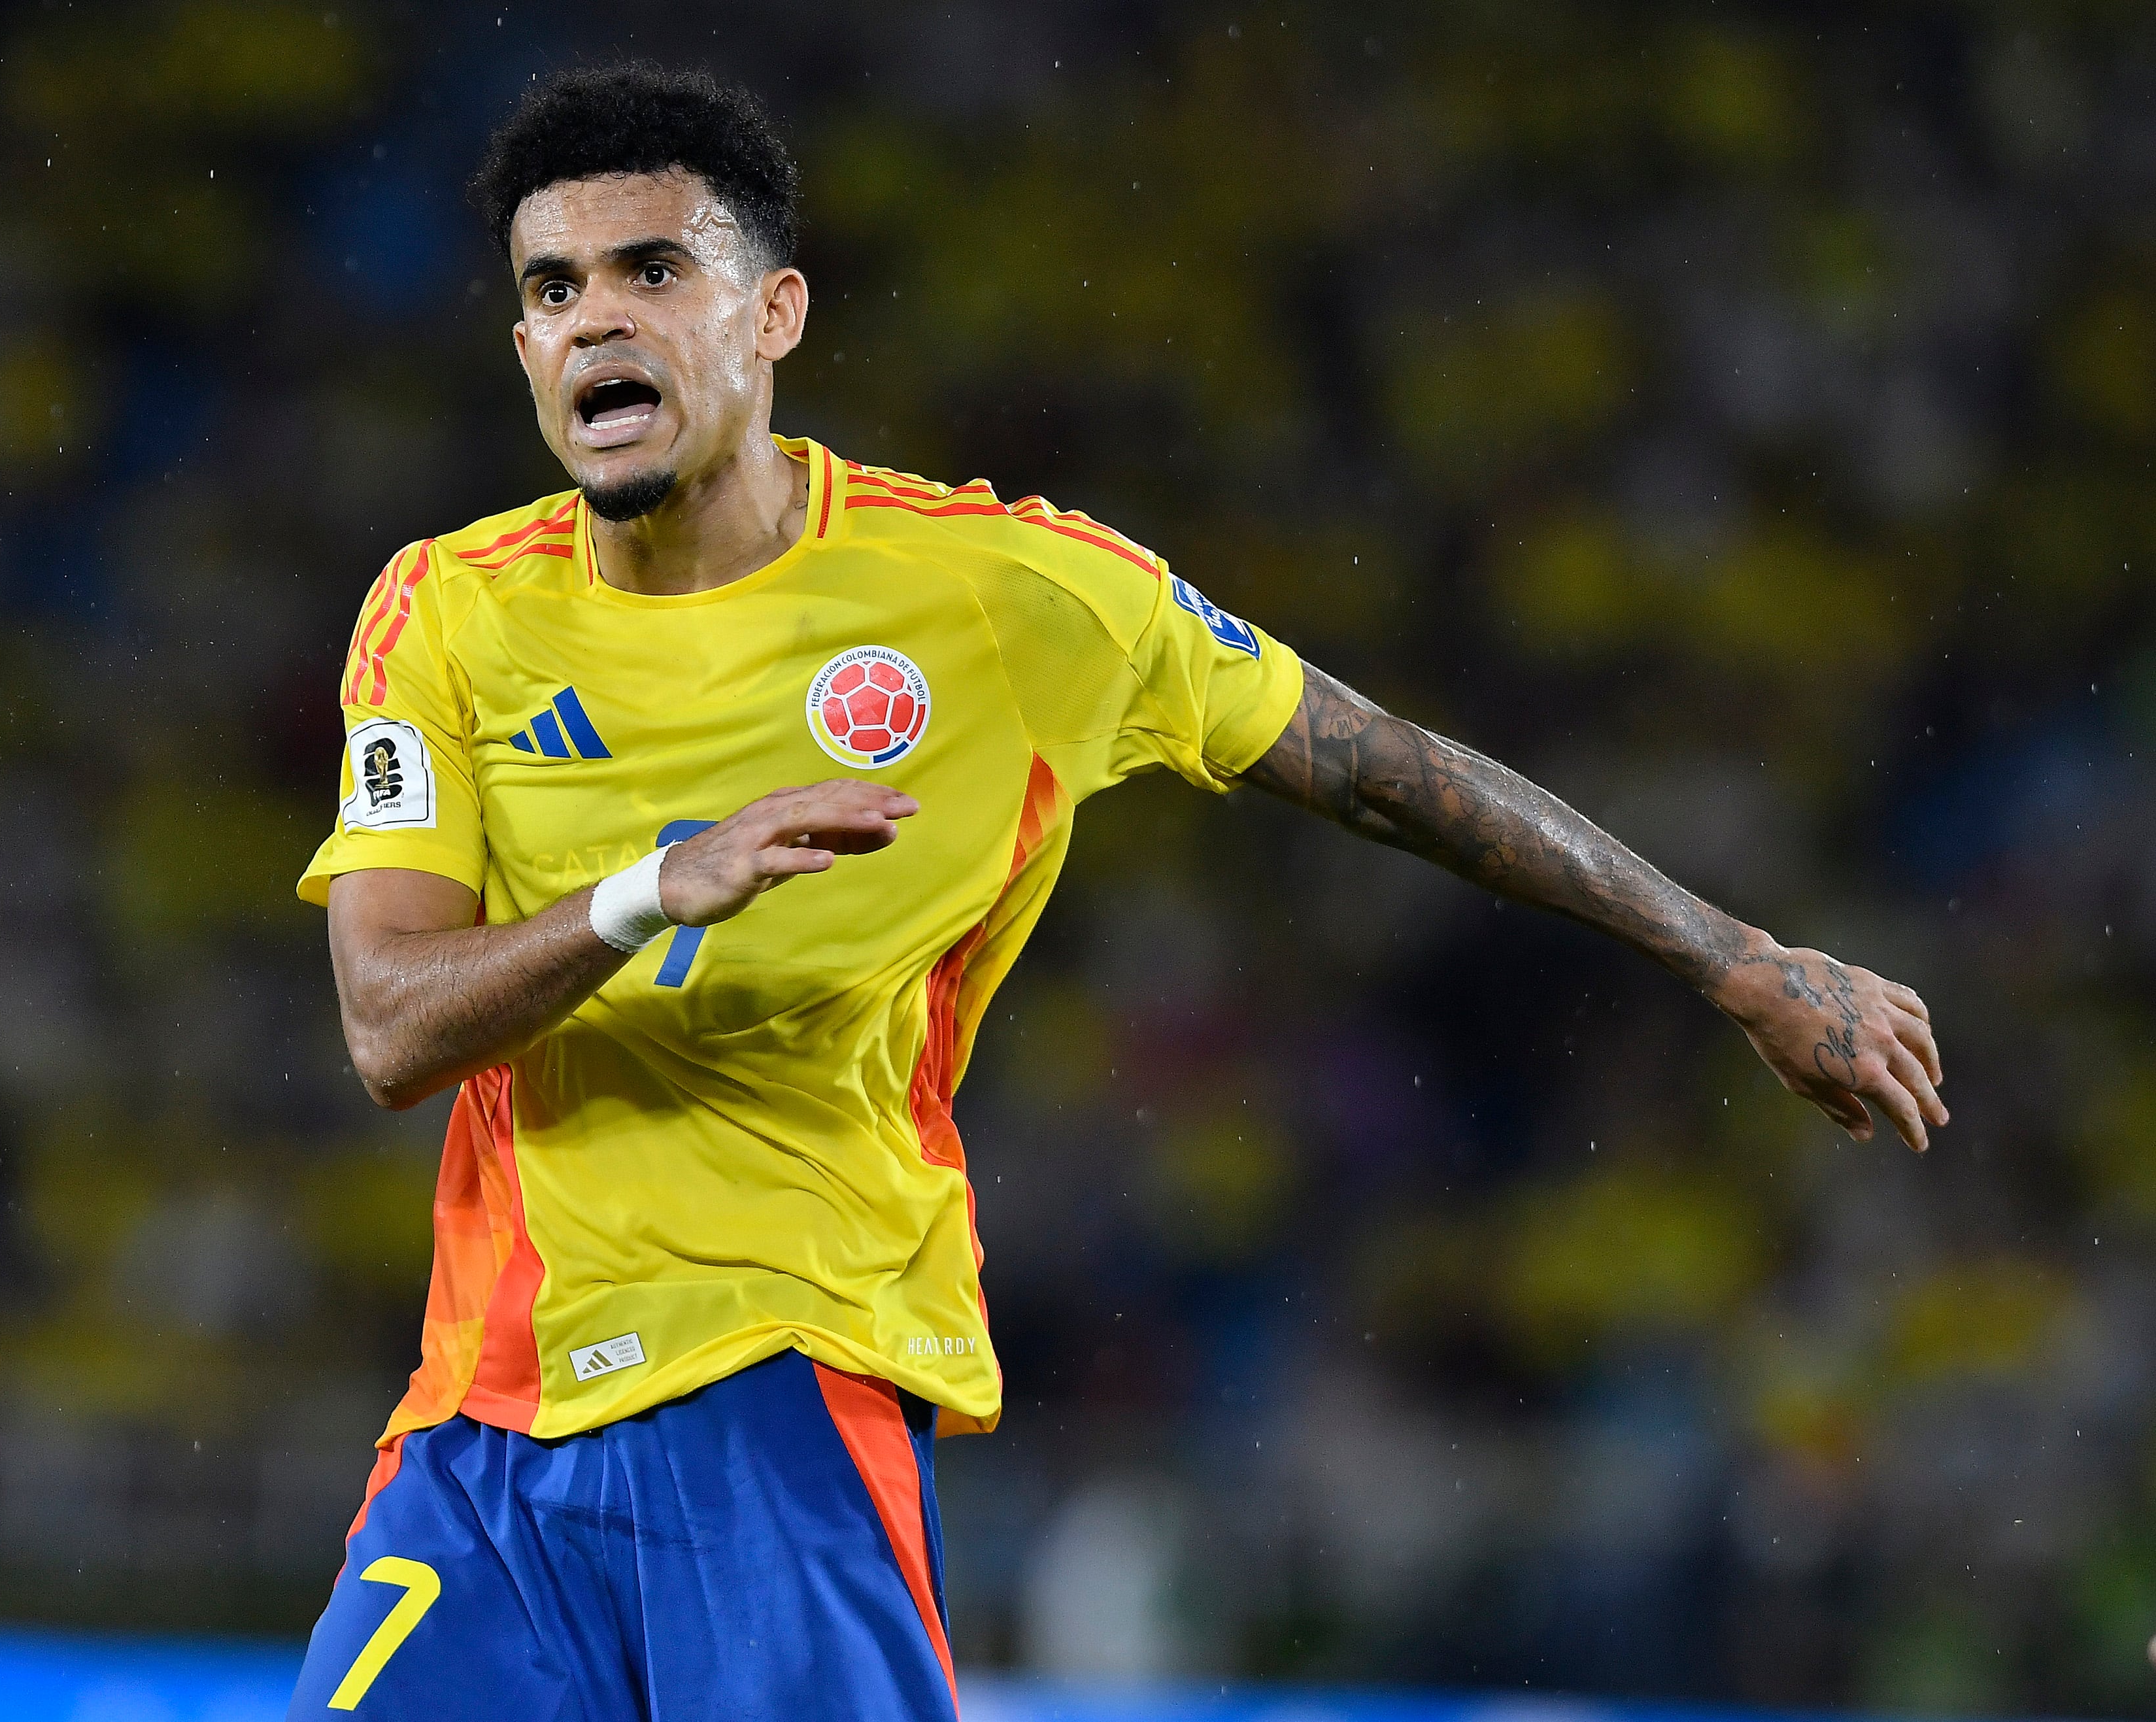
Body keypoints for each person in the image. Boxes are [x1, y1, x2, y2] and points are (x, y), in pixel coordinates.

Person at [285, 62, 1946, 1722]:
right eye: (552, 291)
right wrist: (652, 890)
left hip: (774, 1378)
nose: (597, 324)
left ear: (774, 312)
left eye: (654, 271)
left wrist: (1726, 957)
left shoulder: (1008, 594)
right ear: (520, 351)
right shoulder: (440, 616)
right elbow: (388, 1023)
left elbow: (1371, 764)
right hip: (477, 1433)